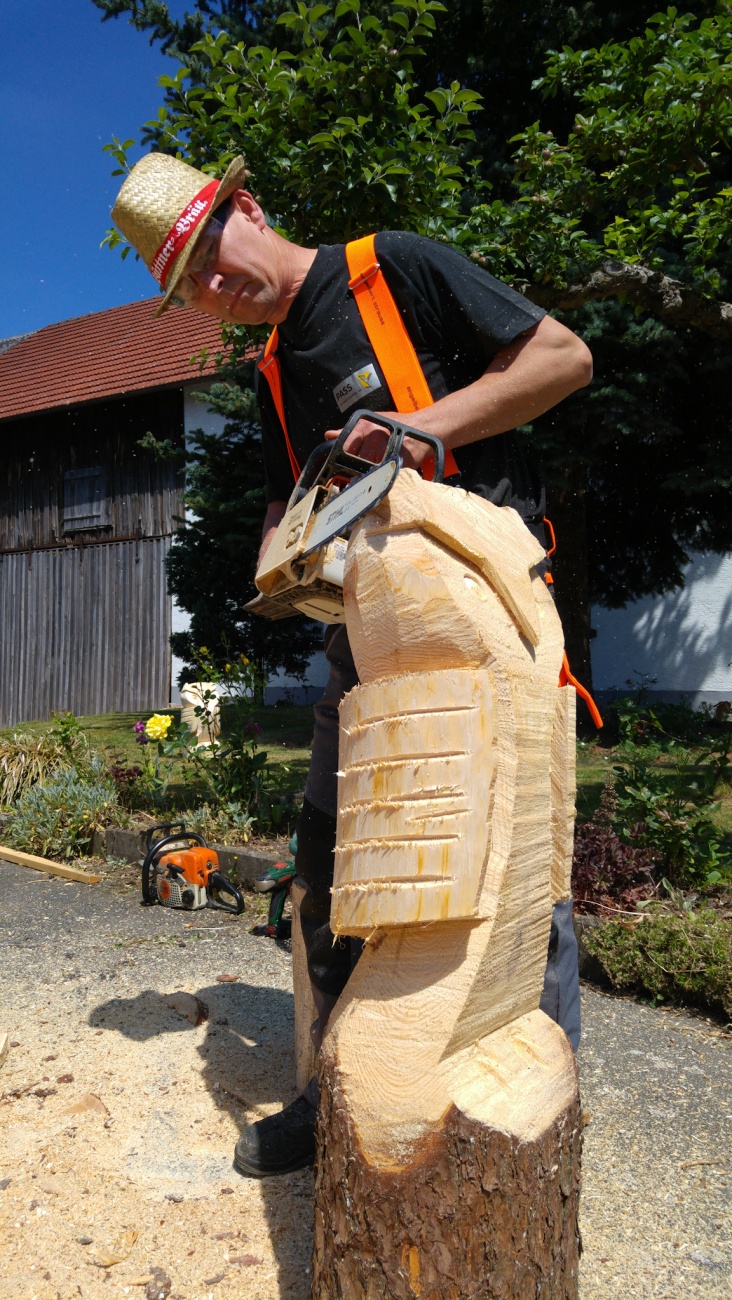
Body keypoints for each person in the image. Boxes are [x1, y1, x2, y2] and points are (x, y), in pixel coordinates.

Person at [113, 151, 593, 1178]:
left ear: (247, 206)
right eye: (187, 282)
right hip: (366, 643)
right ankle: (336, 1101)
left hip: (487, 617)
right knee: (334, 871)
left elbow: (563, 358)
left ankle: (531, 1152)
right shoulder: (275, 369)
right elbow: (326, 507)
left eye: (209, 250)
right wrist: (291, 551)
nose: (212, 285)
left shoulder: (393, 269)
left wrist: (422, 431)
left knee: (513, 883)